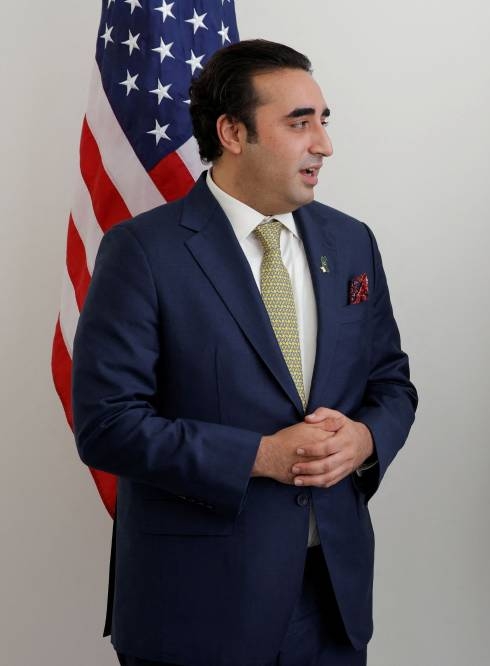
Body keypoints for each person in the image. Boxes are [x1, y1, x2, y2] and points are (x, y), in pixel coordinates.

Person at [72, 39, 417, 666]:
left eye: (323, 120)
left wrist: (364, 440)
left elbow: (392, 381)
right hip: (196, 608)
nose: (323, 144)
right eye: (298, 123)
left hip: (332, 600)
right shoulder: (142, 252)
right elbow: (107, 425)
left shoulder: (352, 242)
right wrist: (260, 456)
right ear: (232, 132)